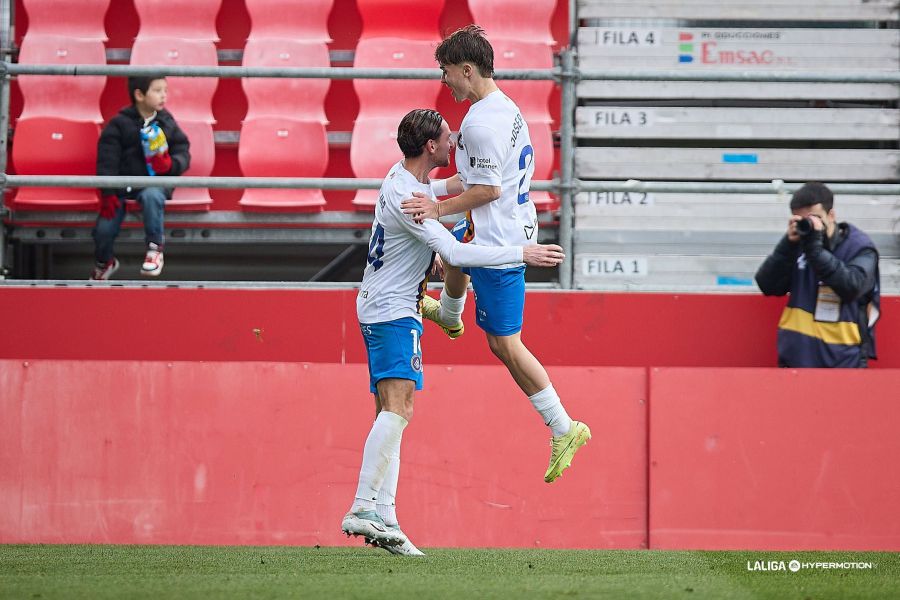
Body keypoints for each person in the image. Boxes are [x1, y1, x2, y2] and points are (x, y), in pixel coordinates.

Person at [342, 108, 565, 556]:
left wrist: (493, 175)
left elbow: (452, 190)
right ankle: (362, 507)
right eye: (449, 137)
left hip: (383, 305)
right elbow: (456, 252)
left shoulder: (408, 180)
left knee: (391, 413)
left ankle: (386, 517)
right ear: (431, 146)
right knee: (399, 409)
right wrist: (521, 252)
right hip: (393, 312)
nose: (455, 142)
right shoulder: (411, 200)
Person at [400, 25, 591, 484]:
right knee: (458, 250)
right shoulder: (501, 109)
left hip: (500, 239)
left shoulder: (480, 125)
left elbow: (487, 189)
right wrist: (426, 188)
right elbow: (473, 180)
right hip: (498, 224)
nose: (444, 80)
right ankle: (450, 315)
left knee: (505, 343)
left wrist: (436, 208)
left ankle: (564, 426)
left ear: (467, 70)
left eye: (447, 71)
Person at [755, 182, 880, 368]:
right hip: (796, 362)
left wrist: (816, 251)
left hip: (843, 364)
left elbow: (852, 287)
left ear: (831, 215)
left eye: (814, 218)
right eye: (801, 220)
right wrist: (786, 245)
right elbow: (768, 285)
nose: (808, 225)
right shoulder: (798, 243)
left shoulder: (859, 248)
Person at [90, 75, 190, 280]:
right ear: (139, 95)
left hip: (155, 183)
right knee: (104, 229)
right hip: (122, 187)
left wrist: (171, 165)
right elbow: (107, 161)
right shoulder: (119, 124)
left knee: (152, 197)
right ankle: (104, 261)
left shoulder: (166, 121)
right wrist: (108, 192)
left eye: (165, 90)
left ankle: (155, 249)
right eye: (158, 91)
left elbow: (183, 151)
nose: (164, 96)